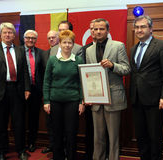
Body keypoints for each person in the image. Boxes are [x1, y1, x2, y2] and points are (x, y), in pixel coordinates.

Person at [85, 18, 130, 160]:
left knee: (113, 138)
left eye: (102, 29)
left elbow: (127, 69)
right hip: (96, 98)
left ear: (108, 31)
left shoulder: (118, 46)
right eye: (96, 29)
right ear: (92, 31)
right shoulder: (89, 50)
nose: (98, 31)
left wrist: (112, 65)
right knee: (97, 137)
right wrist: (88, 96)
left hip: (113, 98)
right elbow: (89, 75)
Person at [0, 22, 31, 160]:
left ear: (14, 34)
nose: (7, 35)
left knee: (19, 123)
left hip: (17, 90)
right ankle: (1, 151)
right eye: (5, 32)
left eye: (10, 32)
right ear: (1, 34)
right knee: (1, 123)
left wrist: (27, 88)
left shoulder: (20, 50)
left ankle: (21, 150)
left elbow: (24, 71)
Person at [43, 30, 85, 160]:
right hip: (55, 101)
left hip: (72, 101)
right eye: (64, 42)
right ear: (59, 44)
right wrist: (46, 101)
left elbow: (81, 82)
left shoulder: (78, 60)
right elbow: (46, 81)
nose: (67, 45)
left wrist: (81, 101)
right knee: (57, 133)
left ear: (73, 44)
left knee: (71, 133)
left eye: (70, 42)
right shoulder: (52, 60)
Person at [130, 15, 163, 160]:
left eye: (143, 27)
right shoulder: (133, 49)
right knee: (141, 136)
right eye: (137, 27)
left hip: (155, 100)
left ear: (150, 29)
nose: (139, 30)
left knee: (154, 136)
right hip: (137, 99)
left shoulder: (161, 46)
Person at [20, 30, 45, 152]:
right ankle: (21, 143)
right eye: (28, 38)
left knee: (33, 118)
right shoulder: (17, 51)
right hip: (21, 90)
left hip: (36, 90)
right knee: (21, 117)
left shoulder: (41, 53)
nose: (30, 40)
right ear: (24, 38)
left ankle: (31, 142)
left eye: (33, 38)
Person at [76, 19, 96, 160]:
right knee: (90, 126)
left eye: (97, 28)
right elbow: (80, 73)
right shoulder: (84, 49)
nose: (95, 32)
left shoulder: (111, 47)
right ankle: (89, 155)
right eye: (92, 29)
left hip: (107, 95)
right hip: (89, 94)